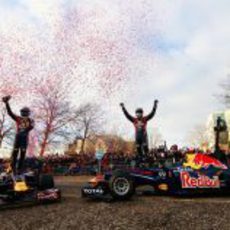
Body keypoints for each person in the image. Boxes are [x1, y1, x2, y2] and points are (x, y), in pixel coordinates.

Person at [2, 95, 34, 174]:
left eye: (26, 112)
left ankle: (20, 168)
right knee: (15, 152)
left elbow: (31, 127)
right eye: (23, 111)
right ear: (21, 112)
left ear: (28, 113)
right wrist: (7, 103)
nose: (24, 113)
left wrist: (25, 129)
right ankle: (12, 167)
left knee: (23, 152)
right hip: (18, 136)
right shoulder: (18, 118)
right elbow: (10, 113)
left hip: (24, 137)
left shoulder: (31, 120)